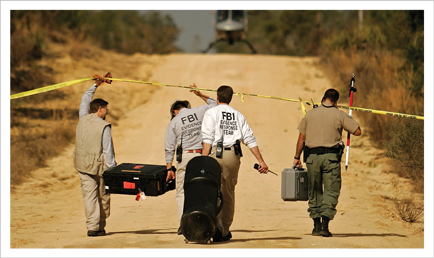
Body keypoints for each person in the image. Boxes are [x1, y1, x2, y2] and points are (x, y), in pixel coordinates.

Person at [201, 85, 269, 242]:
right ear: (230, 99)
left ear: (217, 98)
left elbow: (207, 139)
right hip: (232, 155)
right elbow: (249, 139)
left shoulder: (211, 112)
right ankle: (224, 230)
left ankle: (214, 226)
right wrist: (261, 161)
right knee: (228, 192)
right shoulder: (238, 115)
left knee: (212, 191)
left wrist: (203, 162)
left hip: (214, 156)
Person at [293, 88, 361, 237]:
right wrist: (348, 118)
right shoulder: (339, 115)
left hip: (312, 158)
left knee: (314, 190)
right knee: (331, 190)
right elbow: (357, 131)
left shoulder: (310, 115)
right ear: (336, 101)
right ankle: (325, 225)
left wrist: (297, 156)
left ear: (323, 99)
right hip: (331, 158)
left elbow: (301, 138)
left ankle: (316, 226)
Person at [165, 83, 218, 234]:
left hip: (185, 157)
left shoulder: (174, 122)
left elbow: (169, 146)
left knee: (182, 191)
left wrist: (169, 168)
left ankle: (184, 223)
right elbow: (215, 104)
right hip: (201, 156)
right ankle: (203, 221)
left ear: (175, 111)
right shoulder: (200, 111)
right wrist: (199, 94)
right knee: (201, 189)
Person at [73, 72, 116, 237]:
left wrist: (96, 85)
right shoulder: (104, 125)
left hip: (81, 165)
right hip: (99, 166)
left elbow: (85, 98)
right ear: (100, 109)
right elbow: (108, 150)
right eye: (106, 108)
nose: (107, 111)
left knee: (89, 196)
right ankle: (100, 226)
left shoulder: (82, 117)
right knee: (103, 196)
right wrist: (112, 169)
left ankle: (92, 227)